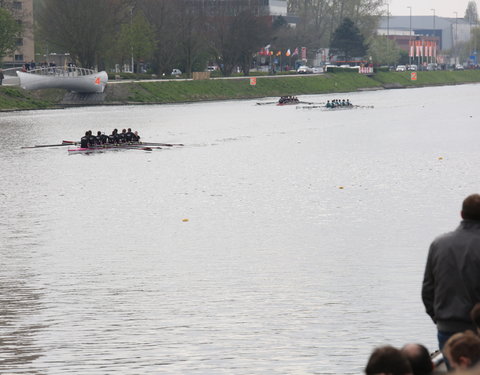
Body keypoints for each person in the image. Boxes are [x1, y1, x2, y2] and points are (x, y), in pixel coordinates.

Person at [422, 194, 480, 353]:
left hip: (447, 328)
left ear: (461, 214)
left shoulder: (439, 244)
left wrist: (439, 319)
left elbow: (427, 290)